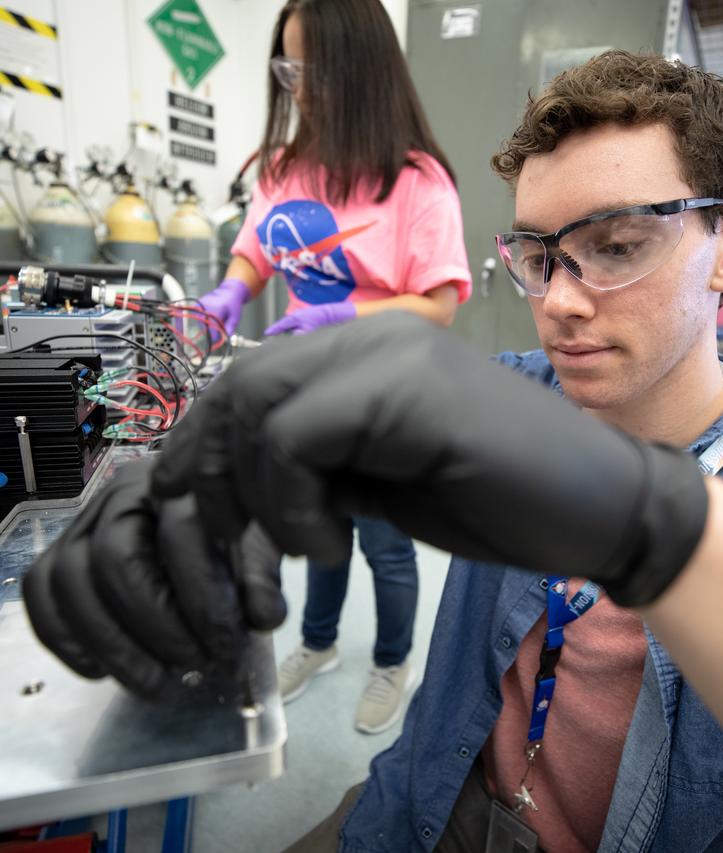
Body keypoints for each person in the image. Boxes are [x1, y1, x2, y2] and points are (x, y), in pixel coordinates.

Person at [24, 51, 723, 852]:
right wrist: (182, 485)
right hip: (411, 811)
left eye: (616, 247)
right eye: (538, 255)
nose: (561, 300)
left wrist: (660, 528)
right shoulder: (505, 402)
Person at [196, 0, 472, 733]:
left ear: (361, 69)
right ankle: (317, 644)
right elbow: (257, 248)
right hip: (310, 391)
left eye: (312, 69)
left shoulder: (417, 181)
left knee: (385, 542)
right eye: (288, 69)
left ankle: (391, 661)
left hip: (386, 393)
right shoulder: (285, 168)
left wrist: (341, 313)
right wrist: (232, 288)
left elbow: (440, 302)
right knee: (320, 528)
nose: (300, 88)